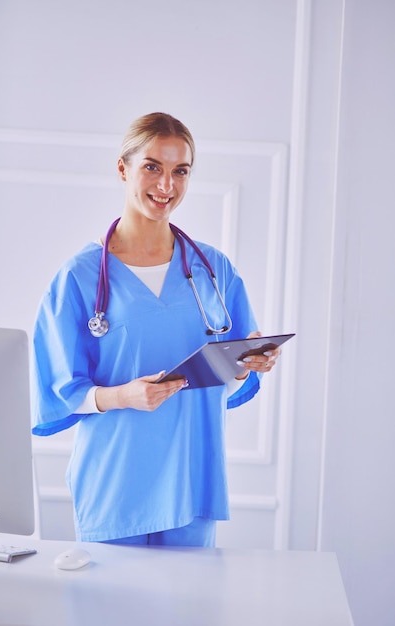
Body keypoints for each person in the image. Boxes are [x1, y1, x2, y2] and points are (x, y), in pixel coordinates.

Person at [31, 112, 281, 547]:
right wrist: (124, 395)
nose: (167, 185)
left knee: (187, 612)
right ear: (123, 168)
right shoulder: (80, 276)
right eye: (153, 167)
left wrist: (249, 365)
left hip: (191, 477)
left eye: (180, 171)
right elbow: (58, 388)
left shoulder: (213, 269)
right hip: (116, 480)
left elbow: (231, 371)